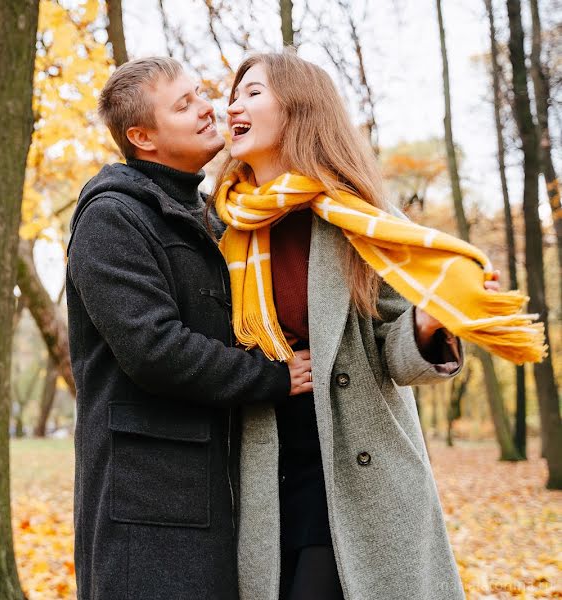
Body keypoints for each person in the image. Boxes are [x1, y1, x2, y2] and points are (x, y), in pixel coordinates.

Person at [211, 50, 539, 600]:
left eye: (253, 92)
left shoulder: (363, 219)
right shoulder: (220, 225)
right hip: (263, 468)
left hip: (358, 468)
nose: (233, 104)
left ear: (298, 109)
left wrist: (431, 317)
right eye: (234, 93)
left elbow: (395, 356)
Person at [66, 57, 312, 599]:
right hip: (146, 513)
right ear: (142, 137)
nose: (209, 107)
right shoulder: (112, 218)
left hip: (213, 493)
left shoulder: (209, 214)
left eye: (200, 93)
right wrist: (272, 376)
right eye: (184, 104)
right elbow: (155, 349)